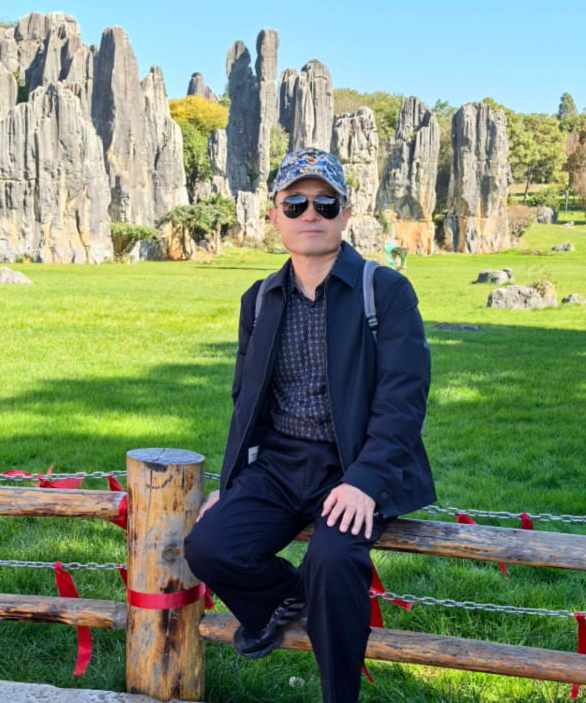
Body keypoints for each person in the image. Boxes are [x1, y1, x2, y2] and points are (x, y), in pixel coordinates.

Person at [185, 147, 435, 703]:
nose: (310, 214)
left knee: (333, 560)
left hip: (354, 462)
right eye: (295, 203)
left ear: (346, 213)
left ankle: (338, 695)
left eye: (326, 202)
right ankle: (282, 599)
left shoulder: (385, 290)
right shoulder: (259, 299)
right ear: (274, 216)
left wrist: (366, 481)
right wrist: (231, 484)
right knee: (208, 545)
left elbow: (403, 398)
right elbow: (245, 401)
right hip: (280, 465)